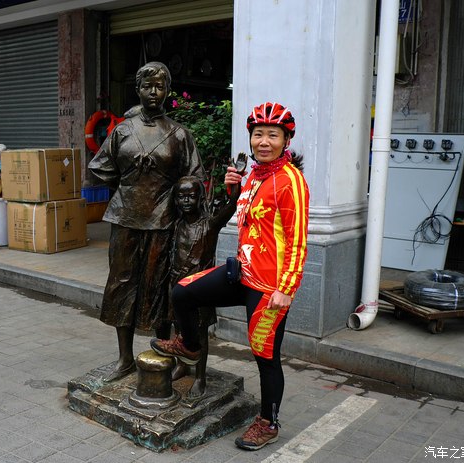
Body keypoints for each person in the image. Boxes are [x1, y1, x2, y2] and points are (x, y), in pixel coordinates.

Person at [150, 102, 309, 451]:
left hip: (269, 287)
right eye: (258, 134)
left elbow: (297, 241)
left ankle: (268, 422)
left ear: (286, 140)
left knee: (265, 355)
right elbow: (248, 218)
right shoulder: (255, 175)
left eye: (272, 135)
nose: (264, 142)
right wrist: (234, 192)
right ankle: (190, 346)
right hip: (242, 272)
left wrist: (286, 288)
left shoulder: (290, 181)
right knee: (183, 293)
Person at [88, 61, 205, 382]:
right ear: (137, 90)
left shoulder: (179, 134)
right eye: (147, 86)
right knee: (121, 284)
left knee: (160, 287)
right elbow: (99, 168)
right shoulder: (122, 130)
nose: (153, 92)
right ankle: (125, 358)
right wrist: (129, 173)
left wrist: (169, 183)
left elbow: (194, 179)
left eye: (159, 86)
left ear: (168, 91)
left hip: (163, 220)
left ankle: (164, 354)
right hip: (125, 217)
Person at [168, 175, 239, 398]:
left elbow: (231, 207)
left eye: (191, 196)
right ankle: (182, 364)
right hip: (177, 285)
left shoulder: (210, 224)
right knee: (179, 328)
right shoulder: (177, 224)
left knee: (200, 334)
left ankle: (200, 376)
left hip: (200, 290)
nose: (186, 201)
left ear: (200, 198)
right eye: (181, 197)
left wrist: (235, 187)